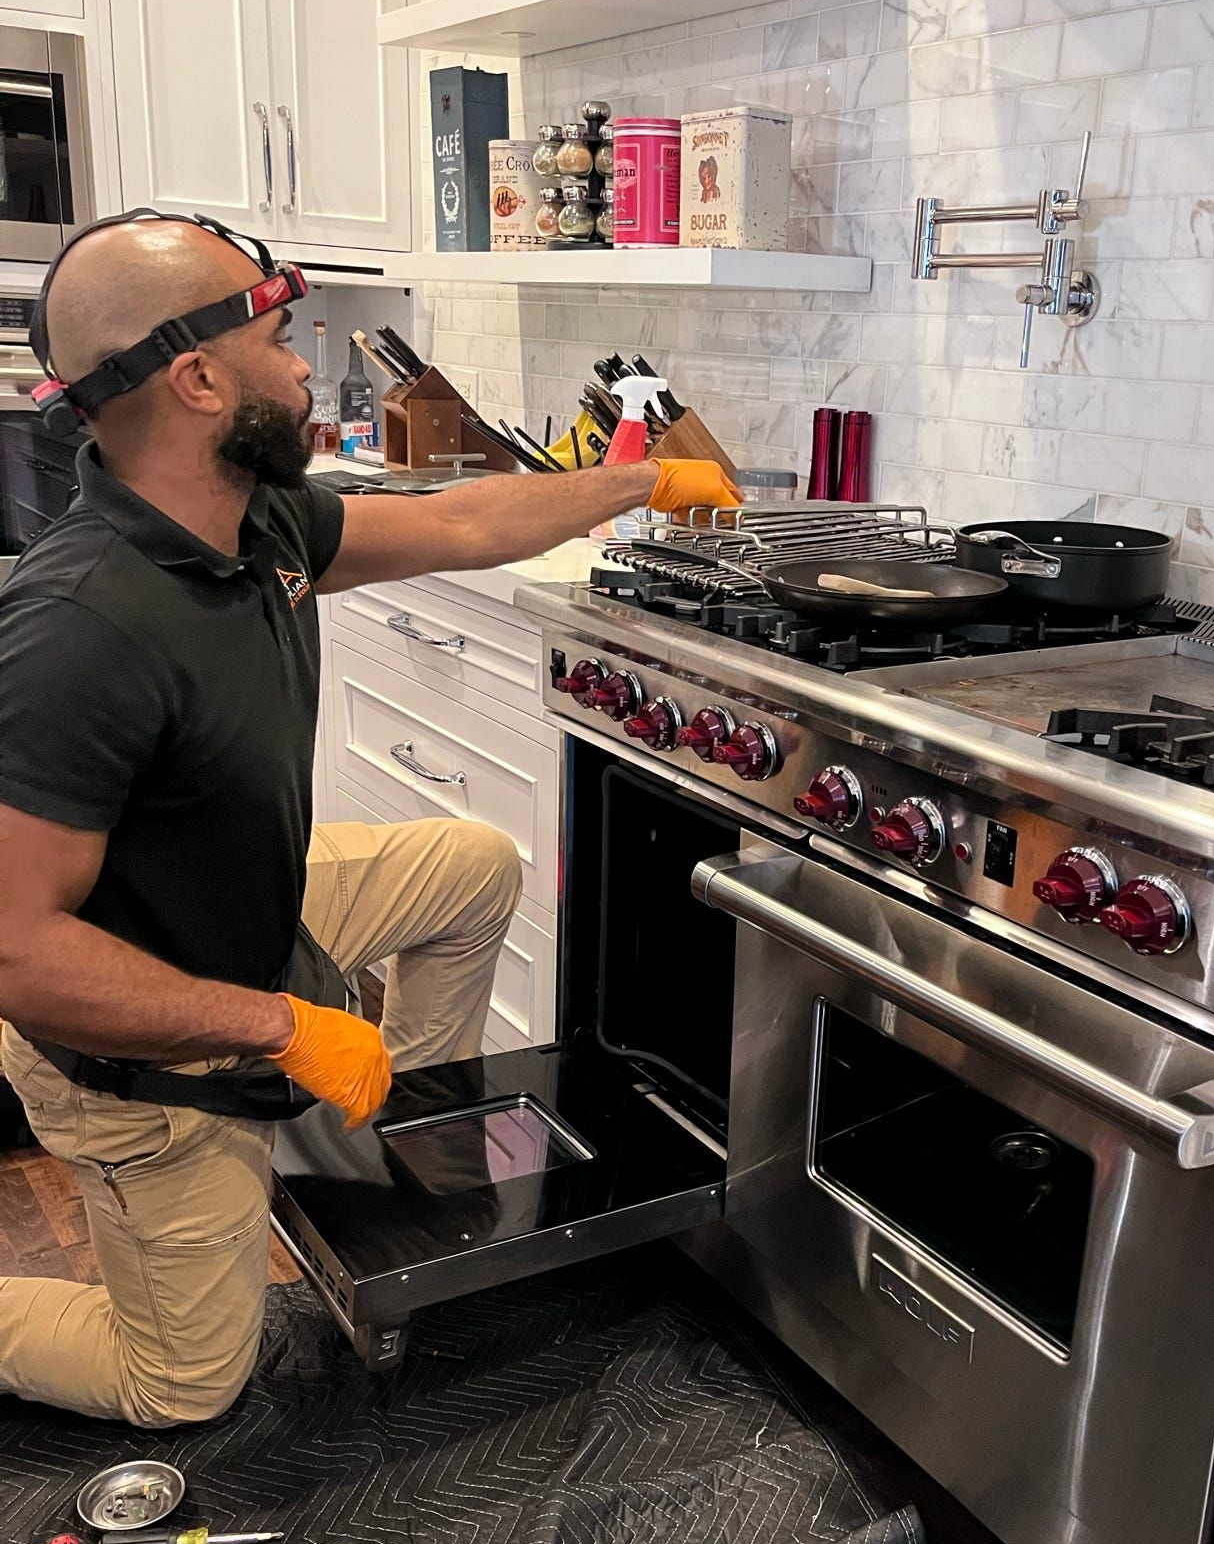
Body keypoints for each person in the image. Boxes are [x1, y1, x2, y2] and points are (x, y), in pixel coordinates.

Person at [0, 210, 740, 1426]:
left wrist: (644, 477)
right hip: (131, 1044)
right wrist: (282, 1028)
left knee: (469, 864)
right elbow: (20, 952)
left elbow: (459, 522)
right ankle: (299, 1116)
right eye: (282, 338)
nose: (305, 368)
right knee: (182, 1382)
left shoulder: (257, 523)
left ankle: (392, 1163)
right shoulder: (82, 627)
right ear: (195, 380)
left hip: (240, 913)